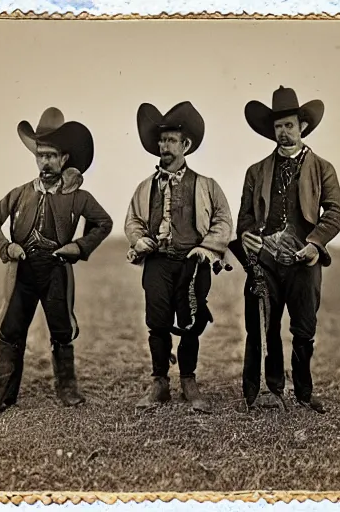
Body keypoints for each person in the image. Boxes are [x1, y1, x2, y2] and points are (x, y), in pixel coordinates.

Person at [0, 107, 113, 416]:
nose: (45, 161)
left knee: (61, 329)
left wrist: (79, 246)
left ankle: (67, 388)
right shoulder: (20, 194)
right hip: (22, 271)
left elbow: (104, 223)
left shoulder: (78, 196)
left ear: (64, 159)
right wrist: (7, 248)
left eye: (51, 155)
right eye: (40, 155)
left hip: (55, 271)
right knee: (10, 330)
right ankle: (2, 395)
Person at [235, 86, 340, 413]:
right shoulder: (256, 171)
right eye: (278, 126)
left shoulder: (323, 168)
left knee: (303, 329)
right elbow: (244, 217)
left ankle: (303, 391)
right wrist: (246, 236)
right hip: (264, 263)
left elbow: (336, 212)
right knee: (260, 325)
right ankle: (264, 391)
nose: (283, 133)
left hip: (303, 261)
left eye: (289, 126)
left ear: (303, 127)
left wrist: (315, 243)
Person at [124, 101, 233, 412]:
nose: (164, 146)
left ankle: (188, 380)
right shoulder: (145, 188)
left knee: (191, 322)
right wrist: (140, 239)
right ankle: (159, 382)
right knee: (156, 321)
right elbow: (132, 219)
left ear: (186, 145)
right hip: (158, 262)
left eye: (171, 140)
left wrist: (206, 247)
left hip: (193, 263)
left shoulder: (207, 186)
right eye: (162, 140)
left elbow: (223, 220)